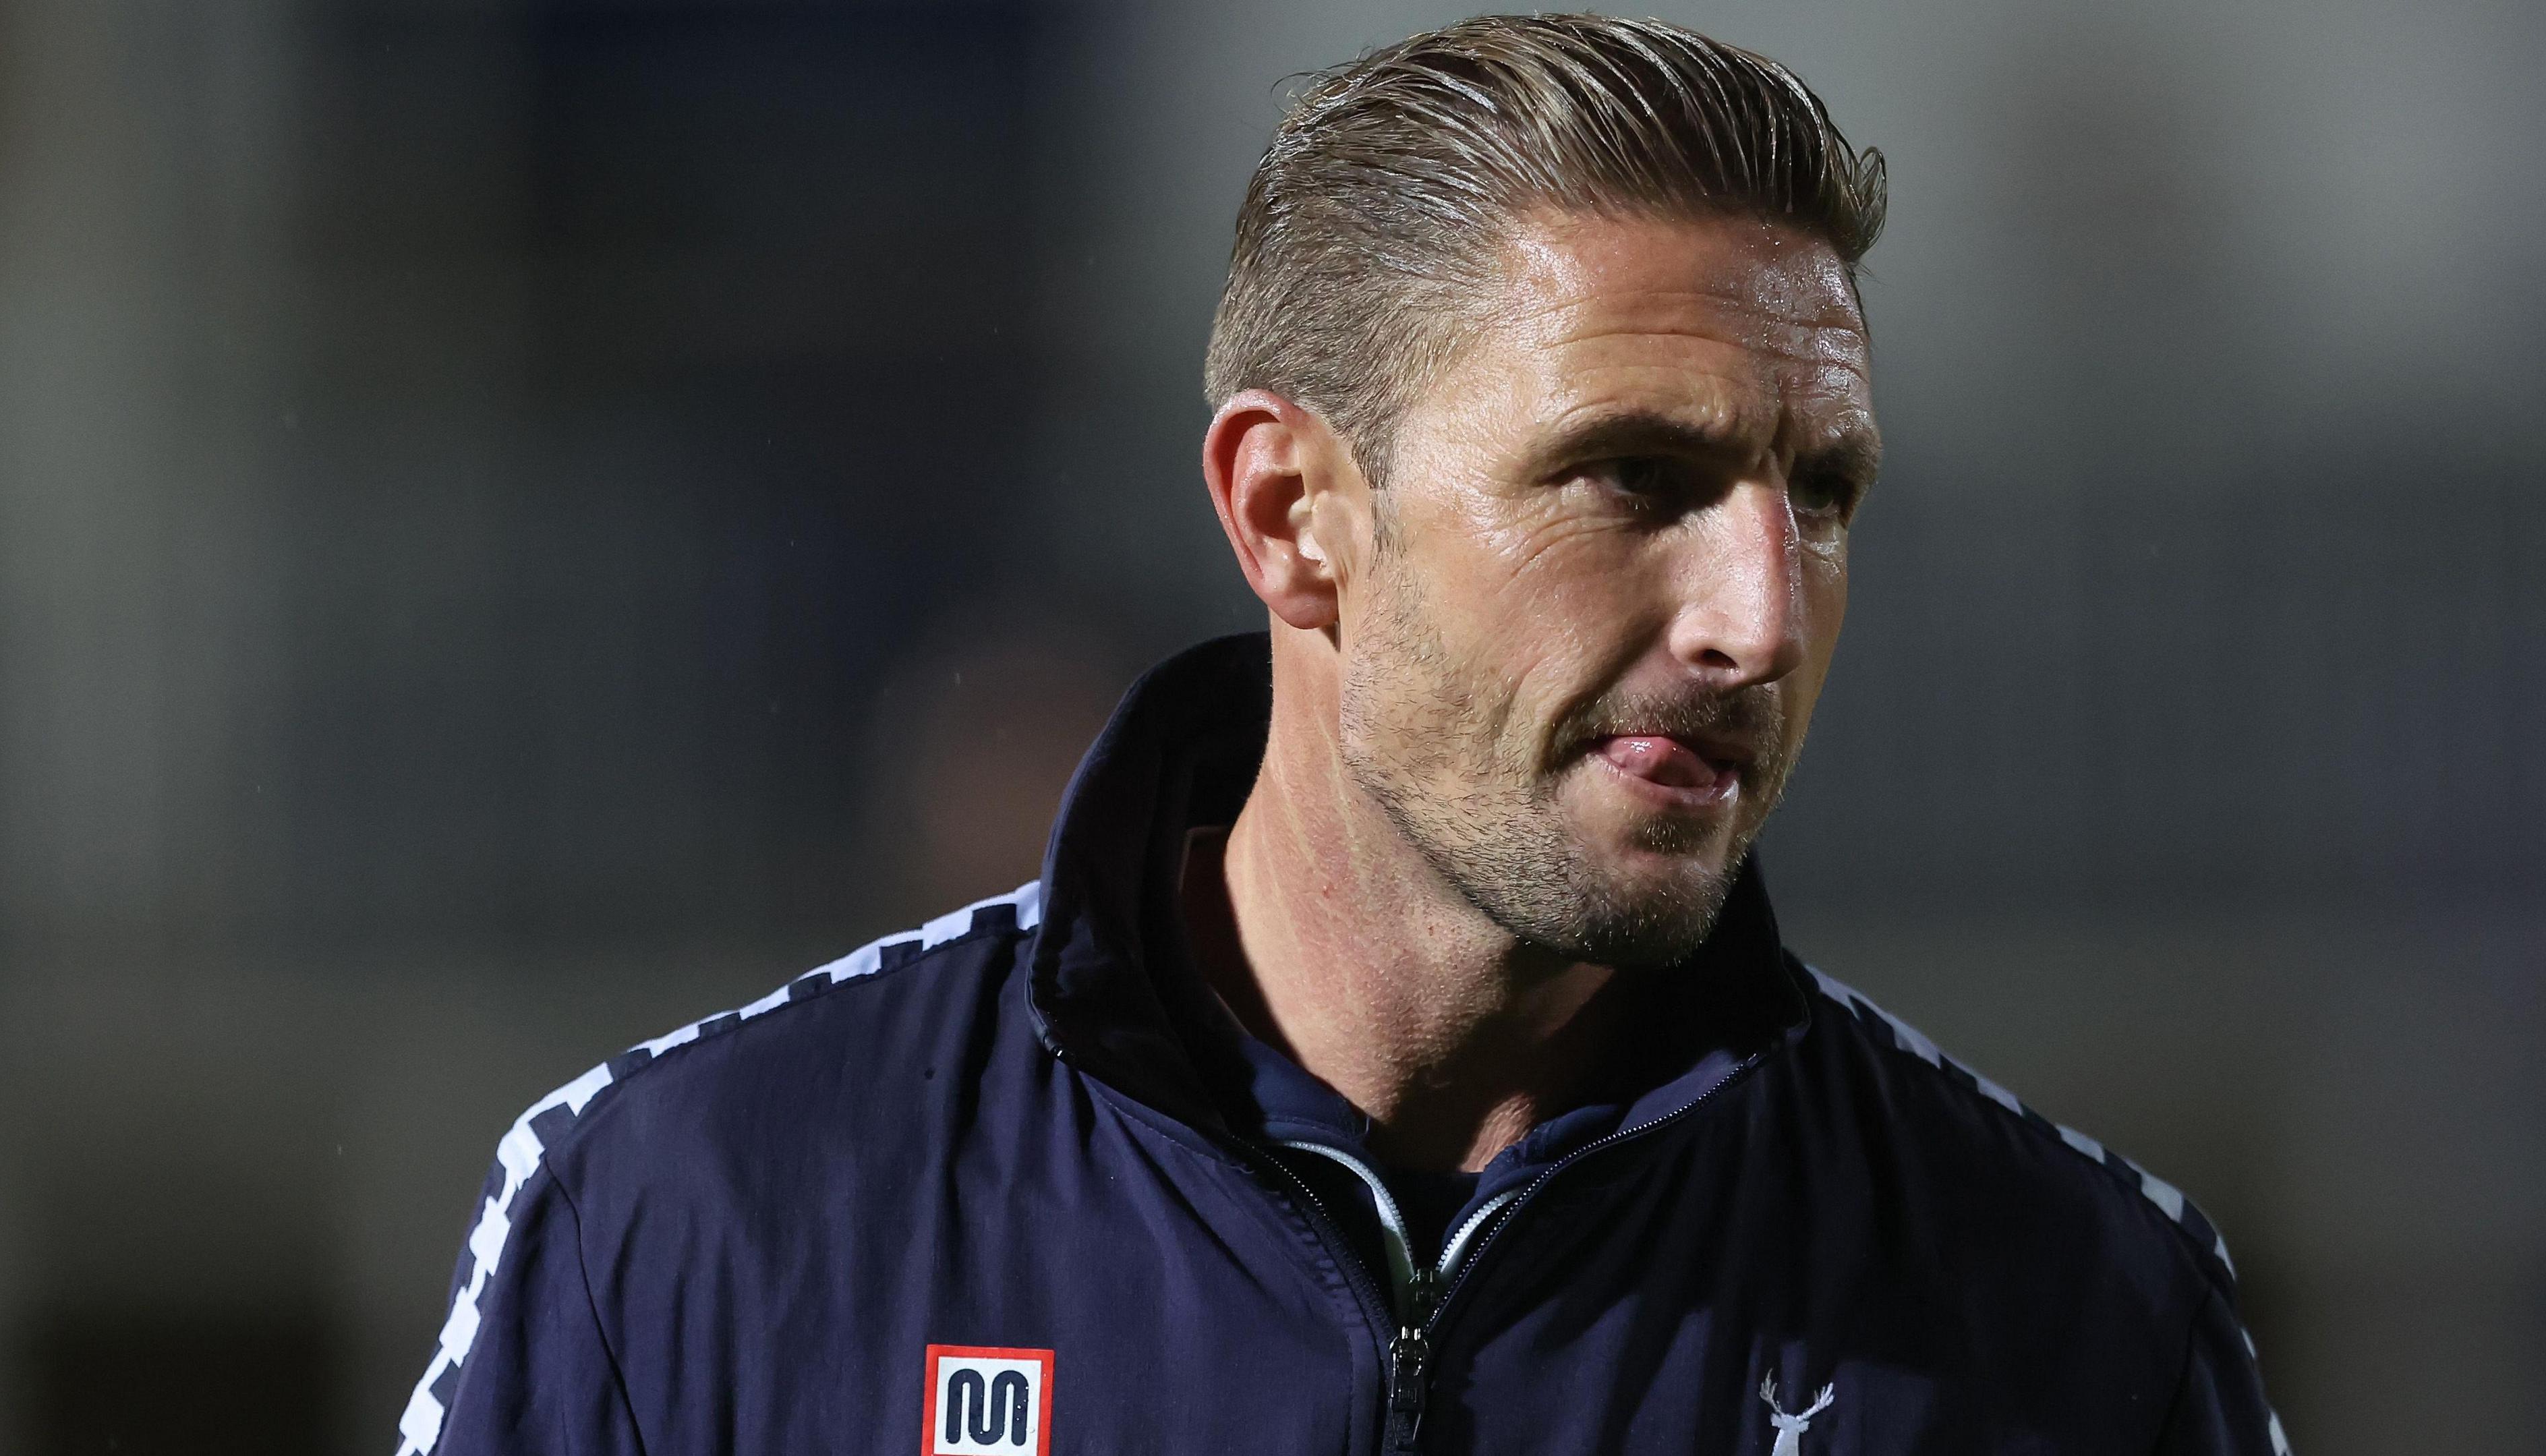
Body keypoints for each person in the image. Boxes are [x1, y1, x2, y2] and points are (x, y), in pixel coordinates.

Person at [397, 16, 2289, 1454]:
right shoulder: (690, 1227)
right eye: (1633, 477)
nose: (1760, 616)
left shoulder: (2074, 1319)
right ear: (1296, 515)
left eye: (1821, 492)